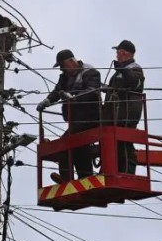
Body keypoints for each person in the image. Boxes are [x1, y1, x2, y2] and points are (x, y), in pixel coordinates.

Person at [37, 49, 102, 183]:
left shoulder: (90, 73)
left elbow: (92, 91)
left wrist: (74, 97)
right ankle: (85, 177)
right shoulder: (65, 76)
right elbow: (58, 90)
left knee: (65, 145)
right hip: (76, 120)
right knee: (79, 148)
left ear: (72, 62)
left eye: (62, 65)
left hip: (89, 119)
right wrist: (48, 100)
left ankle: (67, 178)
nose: (62, 69)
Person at [102, 39, 145, 175]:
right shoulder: (120, 71)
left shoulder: (135, 69)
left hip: (126, 114)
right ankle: (111, 171)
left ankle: (127, 174)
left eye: (118, 52)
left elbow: (134, 83)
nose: (116, 55)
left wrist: (122, 70)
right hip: (115, 115)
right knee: (114, 146)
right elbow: (118, 88)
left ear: (124, 53)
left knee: (124, 145)